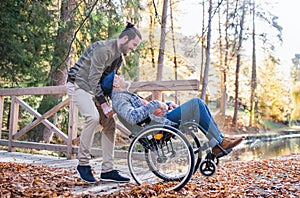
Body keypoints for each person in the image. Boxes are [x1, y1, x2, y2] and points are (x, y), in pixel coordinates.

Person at [66, 22, 142, 184]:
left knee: (109, 124)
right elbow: (93, 78)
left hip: (93, 89)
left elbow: (107, 83)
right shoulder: (103, 50)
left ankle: (107, 170)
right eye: (133, 44)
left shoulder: (118, 58)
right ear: (124, 38)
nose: (134, 49)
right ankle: (83, 164)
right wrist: (104, 104)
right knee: (93, 118)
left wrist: (119, 100)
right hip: (78, 84)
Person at [110, 75, 244, 157]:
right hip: (157, 126)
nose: (121, 76)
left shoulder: (126, 95)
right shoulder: (119, 98)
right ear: (115, 84)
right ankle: (220, 142)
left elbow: (148, 109)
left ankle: (219, 140)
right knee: (196, 103)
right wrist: (158, 103)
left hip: (160, 120)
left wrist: (167, 105)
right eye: (118, 77)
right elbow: (133, 117)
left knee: (199, 106)